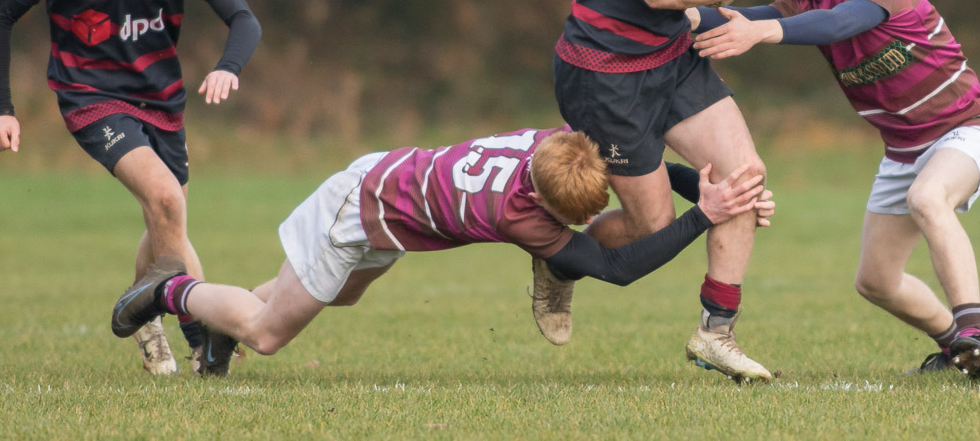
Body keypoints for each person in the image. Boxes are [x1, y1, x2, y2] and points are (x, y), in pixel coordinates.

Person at [548, 0, 894, 382]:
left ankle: (716, 333)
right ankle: (559, 263)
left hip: (671, 57)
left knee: (744, 179)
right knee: (649, 229)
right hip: (604, 74)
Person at [110, 127, 774, 377]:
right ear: (543, 210)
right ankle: (166, 294)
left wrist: (699, 187)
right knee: (271, 332)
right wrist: (702, 217)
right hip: (360, 209)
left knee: (329, 295)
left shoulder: (564, 144)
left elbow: (631, 166)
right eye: (569, 222)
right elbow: (618, 270)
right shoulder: (520, 217)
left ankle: (214, 335)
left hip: (389, 196)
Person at [689, 0, 980, 379]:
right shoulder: (802, 4)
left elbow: (838, 25)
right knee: (876, 281)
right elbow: (727, 19)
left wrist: (762, 32)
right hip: (904, 149)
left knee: (929, 199)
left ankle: (976, 332)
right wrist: (672, 8)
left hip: (965, 129)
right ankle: (958, 351)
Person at [0, 0, 262, 376]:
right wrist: (2, 109)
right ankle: (202, 338)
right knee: (166, 201)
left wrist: (228, 67)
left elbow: (244, 19)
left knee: (165, 218)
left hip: (164, 102)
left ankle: (147, 312)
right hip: (90, 97)